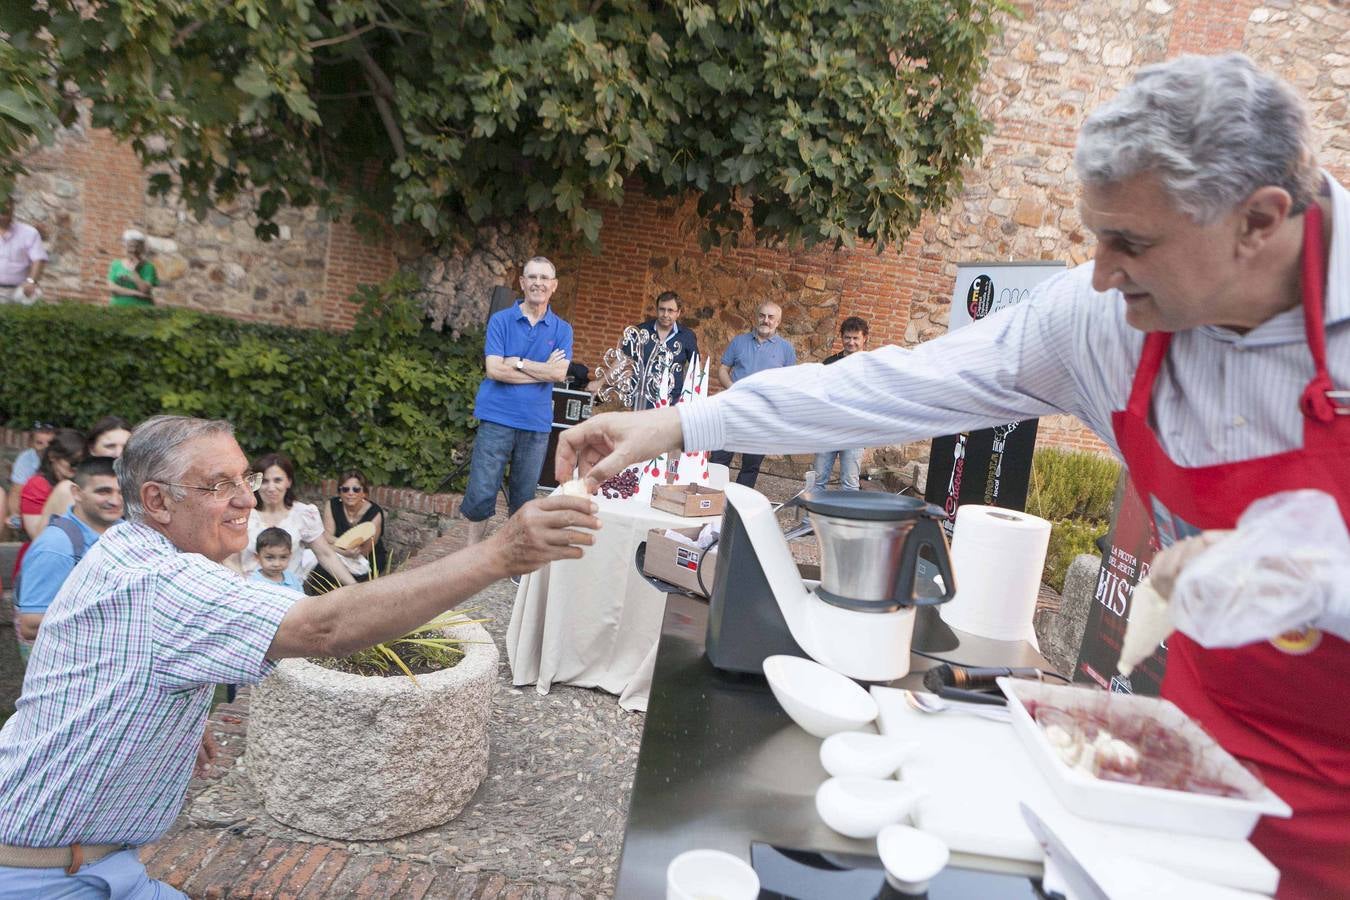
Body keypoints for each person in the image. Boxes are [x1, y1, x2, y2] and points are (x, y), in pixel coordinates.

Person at [558, 54, 1349, 898]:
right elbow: (896, 386)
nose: (1104, 270)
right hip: (1183, 764)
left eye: (1133, 242)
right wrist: (685, 421)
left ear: (1259, 221)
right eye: (1098, 236)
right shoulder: (1104, 319)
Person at [0, 415, 598, 896]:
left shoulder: (120, 551)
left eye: (245, 478)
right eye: (219, 486)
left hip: (99, 863)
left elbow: (101, 665)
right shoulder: (165, 583)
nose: (244, 499)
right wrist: (501, 553)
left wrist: (168, 720)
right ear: (156, 499)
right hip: (44, 876)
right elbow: (324, 628)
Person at [461, 256, 573, 544]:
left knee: (524, 497)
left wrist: (520, 363)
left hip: (535, 424)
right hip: (496, 417)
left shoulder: (562, 329)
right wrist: (542, 370)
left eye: (544, 278)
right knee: (481, 490)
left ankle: (514, 559)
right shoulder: (501, 320)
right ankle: (472, 558)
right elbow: (494, 369)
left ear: (554, 285)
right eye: (532, 277)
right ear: (522, 283)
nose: (538, 283)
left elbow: (559, 374)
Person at [12, 457, 123, 660]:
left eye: (121, 491)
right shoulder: (56, 546)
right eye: (103, 491)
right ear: (76, 493)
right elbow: (31, 624)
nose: (115, 500)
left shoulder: (123, 531)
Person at [235, 451, 355, 590]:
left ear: (289, 482)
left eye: (277, 480)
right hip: (251, 593)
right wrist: (244, 591)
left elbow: (325, 554)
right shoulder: (243, 514)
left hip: (290, 593)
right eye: (264, 481)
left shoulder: (303, 514)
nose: (271, 488)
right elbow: (230, 559)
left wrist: (356, 588)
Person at [709, 301, 796, 488]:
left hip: (762, 415)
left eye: (771, 317)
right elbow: (723, 368)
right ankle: (710, 499)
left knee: (751, 465)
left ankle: (739, 507)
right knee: (718, 459)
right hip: (733, 409)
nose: (766, 320)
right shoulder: (739, 341)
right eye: (762, 315)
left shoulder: (786, 349)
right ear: (756, 317)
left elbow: (788, 383)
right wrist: (731, 388)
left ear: (778, 322)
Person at [812, 316, 870, 491]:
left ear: (864, 338)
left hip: (855, 431)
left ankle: (846, 519)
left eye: (855, 338)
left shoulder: (871, 365)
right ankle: (812, 519)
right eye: (847, 337)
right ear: (842, 337)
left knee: (850, 483)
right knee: (818, 479)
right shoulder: (829, 363)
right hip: (828, 428)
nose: (851, 342)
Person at [313, 468, 391, 585]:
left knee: (347, 577)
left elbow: (363, 551)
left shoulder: (375, 513)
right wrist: (342, 547)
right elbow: (326, 537)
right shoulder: (332, 504)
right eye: (345, 489)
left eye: (356, 489)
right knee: (320, 570)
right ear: (339, 492)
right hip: (339, 553)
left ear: (364, 493)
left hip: (366, 558)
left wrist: (334, 547)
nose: (350, 493)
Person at [622, 290, 700, 406]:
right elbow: (622, 359)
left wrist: (693, 396)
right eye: (662, 309)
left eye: (670, 310)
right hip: (641, 400)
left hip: (672, 402)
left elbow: (696, 368)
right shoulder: (640, 331)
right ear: (657, 309)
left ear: (678, 312)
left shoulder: (687, 336)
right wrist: (600, 382)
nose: (665, 314)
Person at [5, 422, 55, 535]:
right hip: (32, 505)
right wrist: (15, 514)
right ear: (31, 443)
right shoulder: (26, 458)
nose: (45, 447)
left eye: (49, 443)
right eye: (39, 443)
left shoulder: (58, 459)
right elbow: (16, 490)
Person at [0, 196, 47, 304]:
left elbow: (38, 259)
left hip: (19, 290)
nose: (3, 208)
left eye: (7, 204)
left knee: (33, 296)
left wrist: (31, 281)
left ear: (13, 208)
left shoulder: (29, 233)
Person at [107, 229, 158, 308]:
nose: (134, 250)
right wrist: (135, 293)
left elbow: (144, 290)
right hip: (117, 308)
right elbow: (112, 288)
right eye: (131, 246)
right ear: (125, 246)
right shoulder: (116, 264)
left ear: (142, 249)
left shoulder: (148, 267)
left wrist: (134, 272)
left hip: (142, 309)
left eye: (137, 246)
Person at [250, 527, 304, 593]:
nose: (277, 564)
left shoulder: (292, 579)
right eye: (269, 558)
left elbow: (302, 599)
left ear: (290, 556)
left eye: (283, 557)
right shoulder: (252, 581)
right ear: (257, 557)